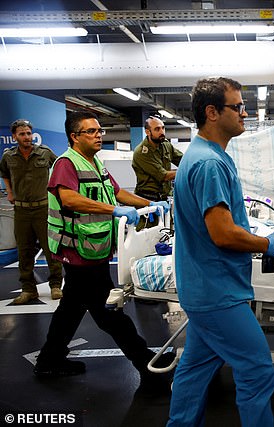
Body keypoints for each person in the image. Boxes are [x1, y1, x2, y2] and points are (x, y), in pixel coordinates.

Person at [168, 77, 274, 427]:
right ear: (211, 112)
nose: (245, 113)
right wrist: (267, 244)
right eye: (238, 107)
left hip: (202, 288)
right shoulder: (209, 163)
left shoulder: (202, 156)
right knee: (256, 369)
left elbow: (220, 223)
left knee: (193, 371)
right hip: (218, 292)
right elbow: (222, 234)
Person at [34, 112, 173, 383]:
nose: (99, 135)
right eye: (91, 132)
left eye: (100, 131)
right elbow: (70, 199)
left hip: (92, 247)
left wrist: (148, 204)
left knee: (72, 307)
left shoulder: (95, 162)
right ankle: (144, 362)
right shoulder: (66, 163)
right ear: (75, 137)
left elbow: (117, 191)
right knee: (109, 312)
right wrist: (114, 211)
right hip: (78, 249)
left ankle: (49, 359)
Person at [0, 119, 63, 304]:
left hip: (43, 208)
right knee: (24, 251)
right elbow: (4, 173)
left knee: (51, 248)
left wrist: (56, 190)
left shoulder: (44, 152)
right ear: (14, 136)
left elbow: (60, 167)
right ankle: (28, 289)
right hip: (21, 211)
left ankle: (56, 286)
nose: (26, 137)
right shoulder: (8, 156)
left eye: (28, 133)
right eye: (22, 134)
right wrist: (10, 192)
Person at [131, 115, 182, 228]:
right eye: (157, 129)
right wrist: (186, 171)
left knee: (166, 235)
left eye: (163, 128)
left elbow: (183, 160)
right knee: (147, 238)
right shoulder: (142, 152)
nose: (162, 132)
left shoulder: (165, 145)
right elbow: (163, 176)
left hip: (164, 202)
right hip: (147, 204)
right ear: (148, 132)